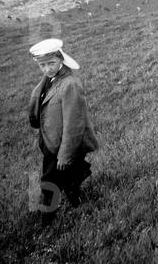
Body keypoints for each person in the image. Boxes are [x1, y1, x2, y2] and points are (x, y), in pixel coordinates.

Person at [27, 38, 99, 224]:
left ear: (61, 59)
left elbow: (74, 123)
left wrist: (64, 155)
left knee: (49, 181)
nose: (47, 69)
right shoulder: (48, 80)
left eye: (51, 63)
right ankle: (77, 198)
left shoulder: (70, 84)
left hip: (63, 145)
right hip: (51, 141)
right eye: (42, 65)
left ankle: (47, 219)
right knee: (68, 176)